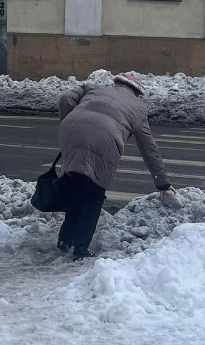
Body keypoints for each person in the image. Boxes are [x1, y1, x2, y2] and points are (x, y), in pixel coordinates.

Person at [56, 72, 173, 260]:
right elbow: (148, 148)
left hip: (71, 128)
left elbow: (65, 98)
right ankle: (81, 248)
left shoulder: (94, 88)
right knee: (94, 194)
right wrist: (162, 182)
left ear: (117, 83)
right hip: (106, 138)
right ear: (137, 92)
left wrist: (70, 120)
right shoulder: (138, 107)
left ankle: (64, 239)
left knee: (76, 186)